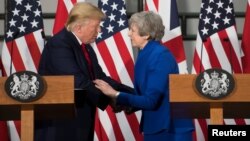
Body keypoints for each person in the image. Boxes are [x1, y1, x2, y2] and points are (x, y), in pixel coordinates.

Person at [35, 2, 133, 141]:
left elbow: (100, 78)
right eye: (96, 26)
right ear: (79, 27)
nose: (99, 30)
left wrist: (131, 95)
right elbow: (78, 81)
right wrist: (114, 99)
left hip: (80, 123)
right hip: (60, 127)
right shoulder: (59, 44)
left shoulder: (85, 47)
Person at [94, 11, 194, 141]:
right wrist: (121, 102)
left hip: (169, 129)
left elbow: (151, 101)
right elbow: (145, 95)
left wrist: (115, 94)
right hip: (157, 125)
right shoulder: (146, 53)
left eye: (133, 30)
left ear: (146, 34)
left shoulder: (160, 56)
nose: (129, 34)